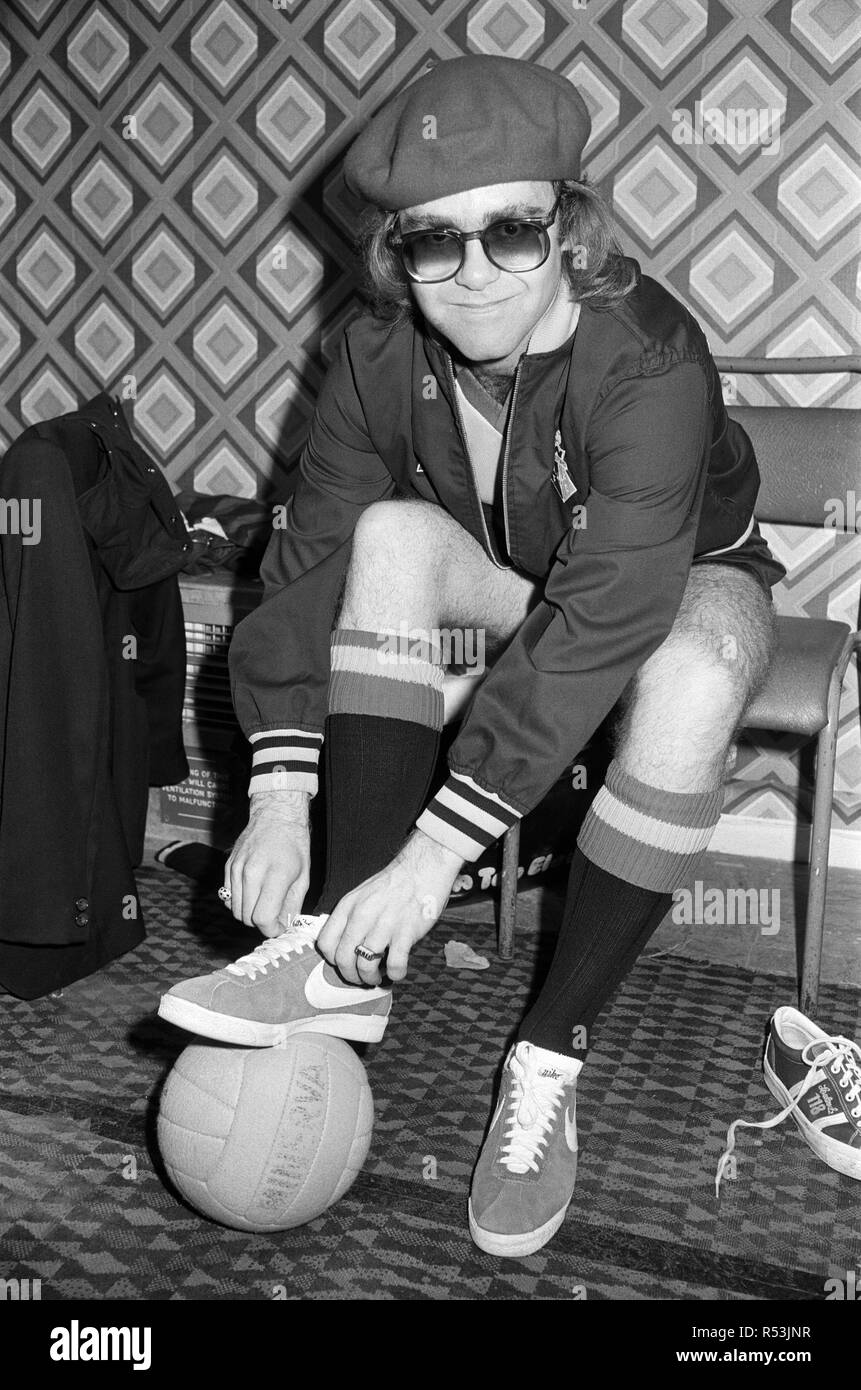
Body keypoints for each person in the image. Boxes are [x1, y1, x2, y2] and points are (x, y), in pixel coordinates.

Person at [160, 56, 857, 1257]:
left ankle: (550, 1055)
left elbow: (608, 613)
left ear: (570, 228)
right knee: (382, 534)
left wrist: (441, 846)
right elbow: (306, 559)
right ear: (397, 252)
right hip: (528, 576)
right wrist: (277, 793)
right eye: (435, 242)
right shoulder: (374, 357)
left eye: (513, 232)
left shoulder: (650, 360)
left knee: (694, 668)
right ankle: (348, 959)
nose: (473, 273)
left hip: (685, 579)